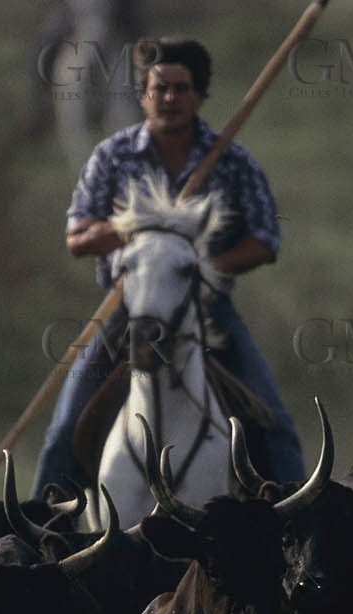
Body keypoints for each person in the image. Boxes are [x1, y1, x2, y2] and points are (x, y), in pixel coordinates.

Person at [32, 36, 305, 494]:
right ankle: (45, 534)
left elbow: (266, 239)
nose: (170, 99)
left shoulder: (231, 160)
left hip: (206, 308)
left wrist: (201, 266)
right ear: (143, 95)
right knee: (65, 424)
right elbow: (77, 238)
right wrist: (137, 237)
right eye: (159, 89)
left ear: (199, 95)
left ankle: (298, 526)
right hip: (127, 307)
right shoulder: (112, 156)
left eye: (181, 89)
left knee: (273, 420)